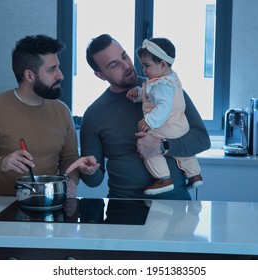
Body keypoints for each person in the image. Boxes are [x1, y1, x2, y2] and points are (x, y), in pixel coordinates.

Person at [0, 34, 99, 197]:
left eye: (57, 67)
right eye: (52, 69)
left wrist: (71, 182)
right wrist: (2, 163)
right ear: (29, 76)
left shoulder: (62, 111)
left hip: (50, 207)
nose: (60, 75)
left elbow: (69, 160)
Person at [80, 34, 210, 200]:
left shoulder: (165, 88)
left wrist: (162, 146)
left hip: (176, 201)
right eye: (114, 65)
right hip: (124, 208)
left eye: (124, 56)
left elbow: (202, 139)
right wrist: (89, 171)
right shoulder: (93, 115)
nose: (126, 65)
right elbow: (94, 181)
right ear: (100, 75)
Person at [126, 37, 203, 195]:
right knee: (183, 154)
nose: (143, 71)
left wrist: (149, 121)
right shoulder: (168, 80)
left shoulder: (162, 86)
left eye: (147, 66)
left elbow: (163, 106)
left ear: (162, 64)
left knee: (147, 143)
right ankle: (194, 175)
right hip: (180, 126)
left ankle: (163, 178)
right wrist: (138, 93)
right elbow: (151, 96)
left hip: (167, 126)